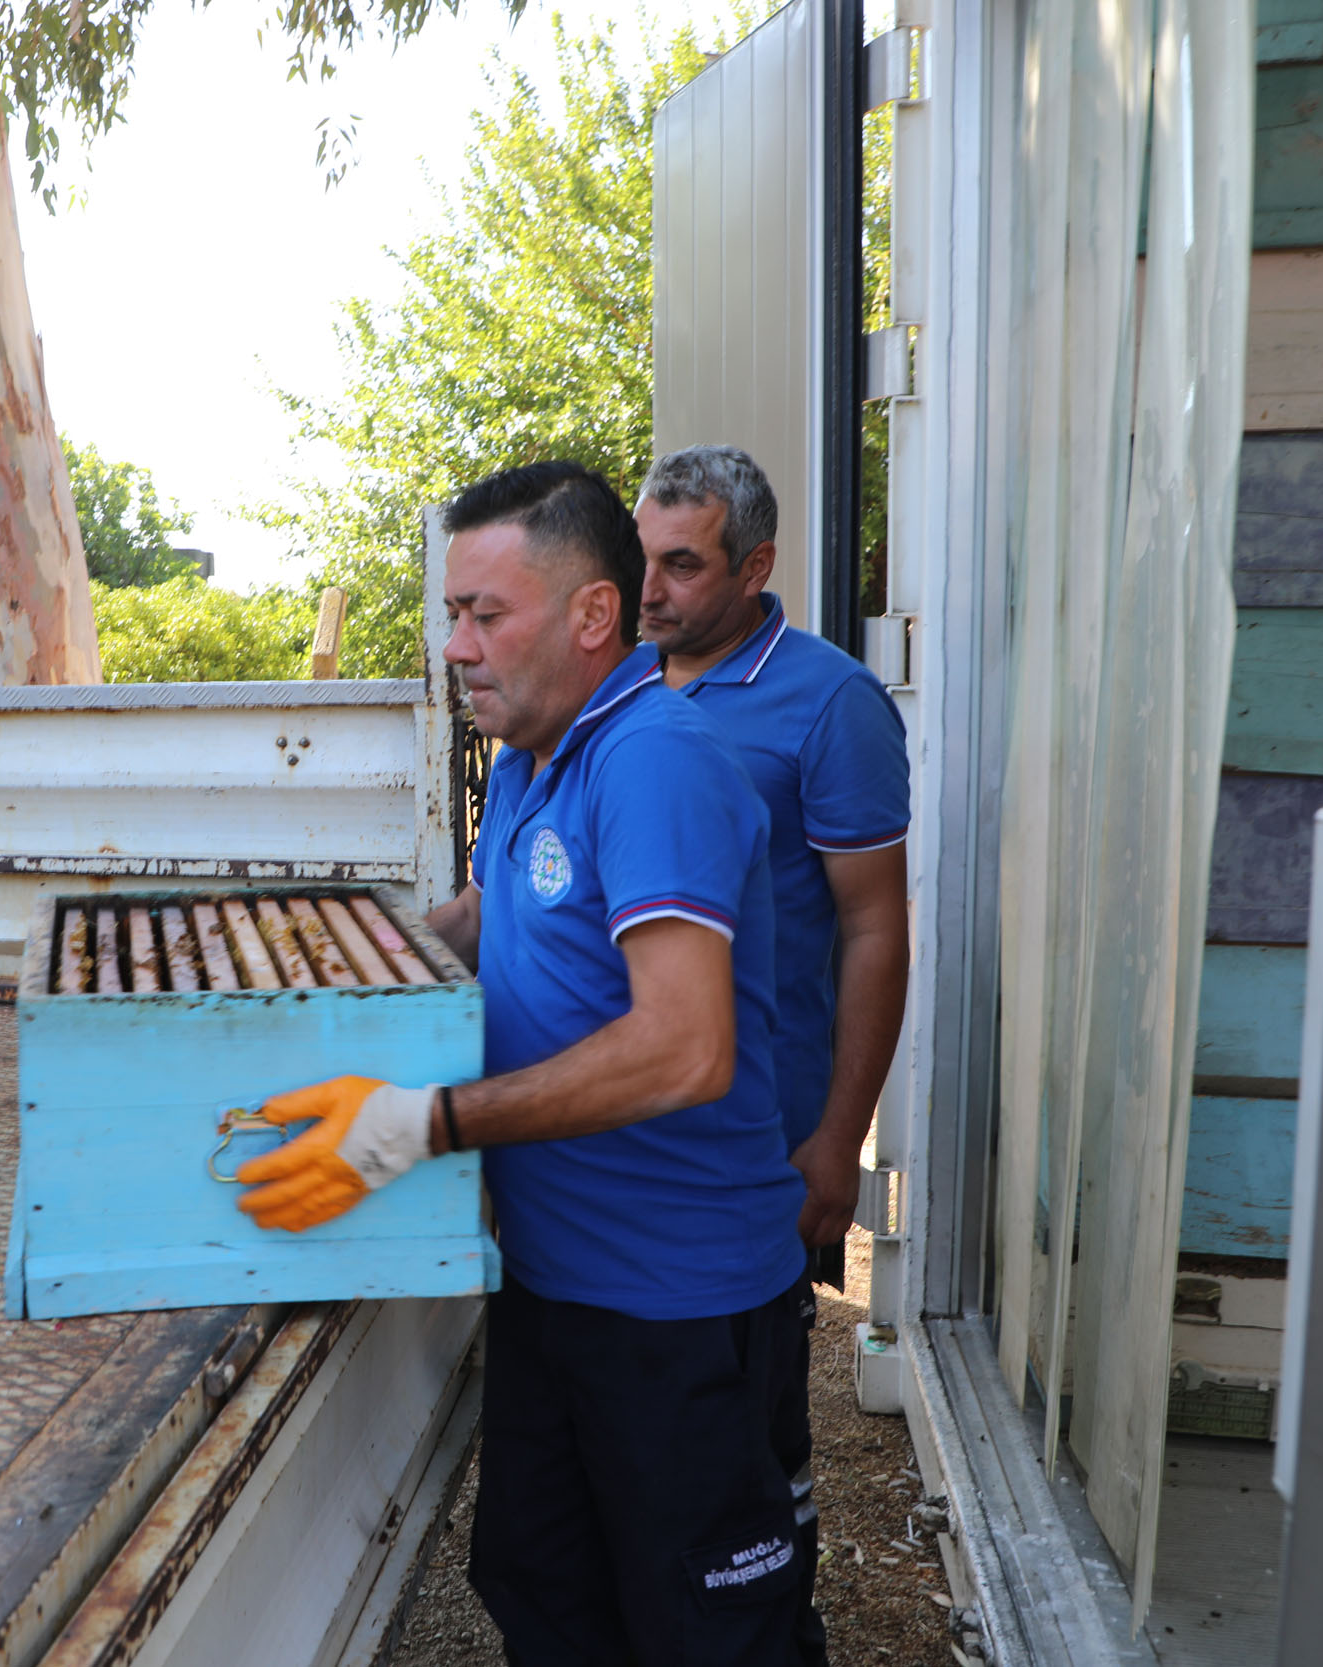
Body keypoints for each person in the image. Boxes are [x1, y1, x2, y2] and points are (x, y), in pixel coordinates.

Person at [232, 461, 822, 1665]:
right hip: (555, 1289)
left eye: (484, 614)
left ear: (592, 616)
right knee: (546, 1592)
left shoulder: (655, 759)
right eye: (453, 613)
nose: (456, 645)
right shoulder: (529, 758)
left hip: (679, 1308)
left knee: (710, 1635)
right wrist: (315, 952)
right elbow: (488, 915)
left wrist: (425, 1122)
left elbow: (685, 1045)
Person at [633, 446, 910, 1257]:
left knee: (730, 1369)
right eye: (640, 556)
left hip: (754, 1137)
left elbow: (874, 931)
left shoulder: (831, 704)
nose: (648, 590)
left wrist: (837, 1143)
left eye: (680, 565)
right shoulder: (614, 684)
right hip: (612, 1128)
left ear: (755, 567)